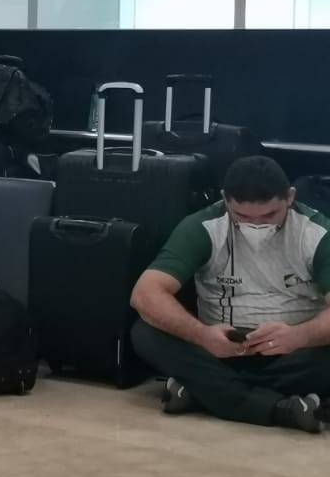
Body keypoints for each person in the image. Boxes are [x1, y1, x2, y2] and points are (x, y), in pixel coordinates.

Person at [130, 156, 330, 433]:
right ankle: (279, 409)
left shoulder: (317, 232)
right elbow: (145, 293)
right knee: (145, 332)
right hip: (219, 347)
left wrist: (300, 336)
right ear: (225, 199)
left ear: (290, 197)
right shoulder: (202, 226)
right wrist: (201, 334)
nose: (257, 225)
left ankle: (203, 393)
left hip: (294, 351)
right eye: (244, 216)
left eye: (270, 215)